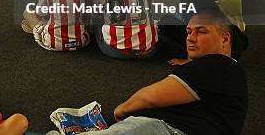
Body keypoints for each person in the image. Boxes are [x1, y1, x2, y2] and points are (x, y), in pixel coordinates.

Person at [105, 9, 247, 135]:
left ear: (225, 38)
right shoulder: (225, 76)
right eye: (189, 32)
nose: (191, 38)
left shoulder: (219, 64)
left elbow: (149, 97)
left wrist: (122, 110)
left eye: (202, 31)